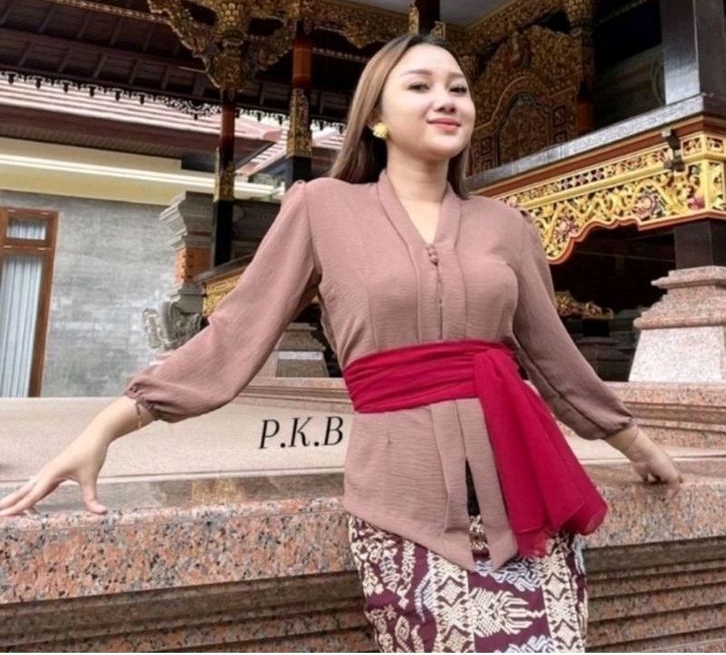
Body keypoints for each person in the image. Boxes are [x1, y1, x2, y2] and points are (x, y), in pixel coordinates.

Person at [0, 33, 682, 653]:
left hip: (524, 489)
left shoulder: (507, 226)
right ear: (377, 115)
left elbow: (553, 359)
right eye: (420, 85)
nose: (446, 99)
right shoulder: (322, 208)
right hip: (402, 504)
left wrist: (636, 443)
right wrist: (105, 428)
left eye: (458, 88)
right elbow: (234, 335)